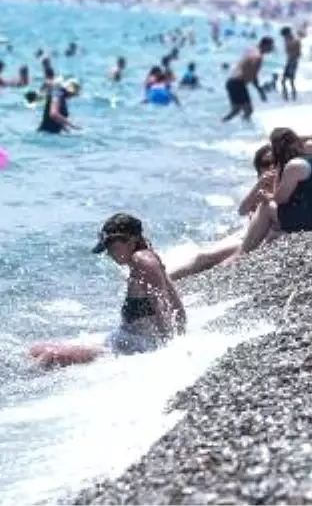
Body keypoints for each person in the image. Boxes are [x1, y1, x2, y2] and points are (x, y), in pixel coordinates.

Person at [30, 214, 186, 368]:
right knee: (37, 350)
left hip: (137, 345)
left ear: (131, 241)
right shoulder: (142, 259)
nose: (108, 253)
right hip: (126, 338)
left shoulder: (143, 261)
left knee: (50, 356)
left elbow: (163, 304)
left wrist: (170, 350)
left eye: (111, 247)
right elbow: (172, 303)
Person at [227, 128, 312, 261]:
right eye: (266, 164)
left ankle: (243, 253)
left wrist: (266, 197)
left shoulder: (293, 166)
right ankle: (243, 252)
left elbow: (280, 200)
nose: (272, 165)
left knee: (266, 206)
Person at [169, 145, 277, 281]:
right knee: (202, 257)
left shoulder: (284, 184)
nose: (271, 167)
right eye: (266, 164)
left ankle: (164, 280)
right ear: (259, 168)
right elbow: (243, 210)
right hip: (247, 232)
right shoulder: (262, 185)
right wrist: (259, 185)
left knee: (205, 258)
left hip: (257, 236)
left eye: (275, 162)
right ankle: (165, 278)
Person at [221, 36, 274, 122]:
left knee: (236, 111)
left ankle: (223, 125)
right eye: (271, 46)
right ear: (265, 45)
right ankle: (245, 130)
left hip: (231, 81)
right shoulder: (258, 57)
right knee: (247, 110)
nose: (272, 48)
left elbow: (245, 67)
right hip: (238, 83)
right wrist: (260, 91)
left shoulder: (251, 49)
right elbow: (253, 75)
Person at [280, 26, 302, 101]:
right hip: (290, 61)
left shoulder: (294, 40)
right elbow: (288, 52)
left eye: (284, 35)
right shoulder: (288, 40)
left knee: (290, 80)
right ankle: (288, 96)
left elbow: (298, 53)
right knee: (285, 81)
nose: (284, 37)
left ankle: (292, 96)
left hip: (293, 62)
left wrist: (292, 58)